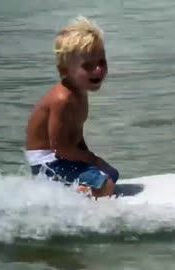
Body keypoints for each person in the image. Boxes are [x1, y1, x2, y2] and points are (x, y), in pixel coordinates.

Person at [25, 16, 119, 198]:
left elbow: (75, 135)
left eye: (101, 62)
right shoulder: (63, 99)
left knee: (112, 174)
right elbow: (60, 149)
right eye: (88, 66)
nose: (98, 70)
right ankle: (67, 194)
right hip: (48, 163)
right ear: (64, 71)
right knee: (106, 185)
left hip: (61, 156)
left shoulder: (80, 92)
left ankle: (75, 188)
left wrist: (89, 157)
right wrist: (91, 159)